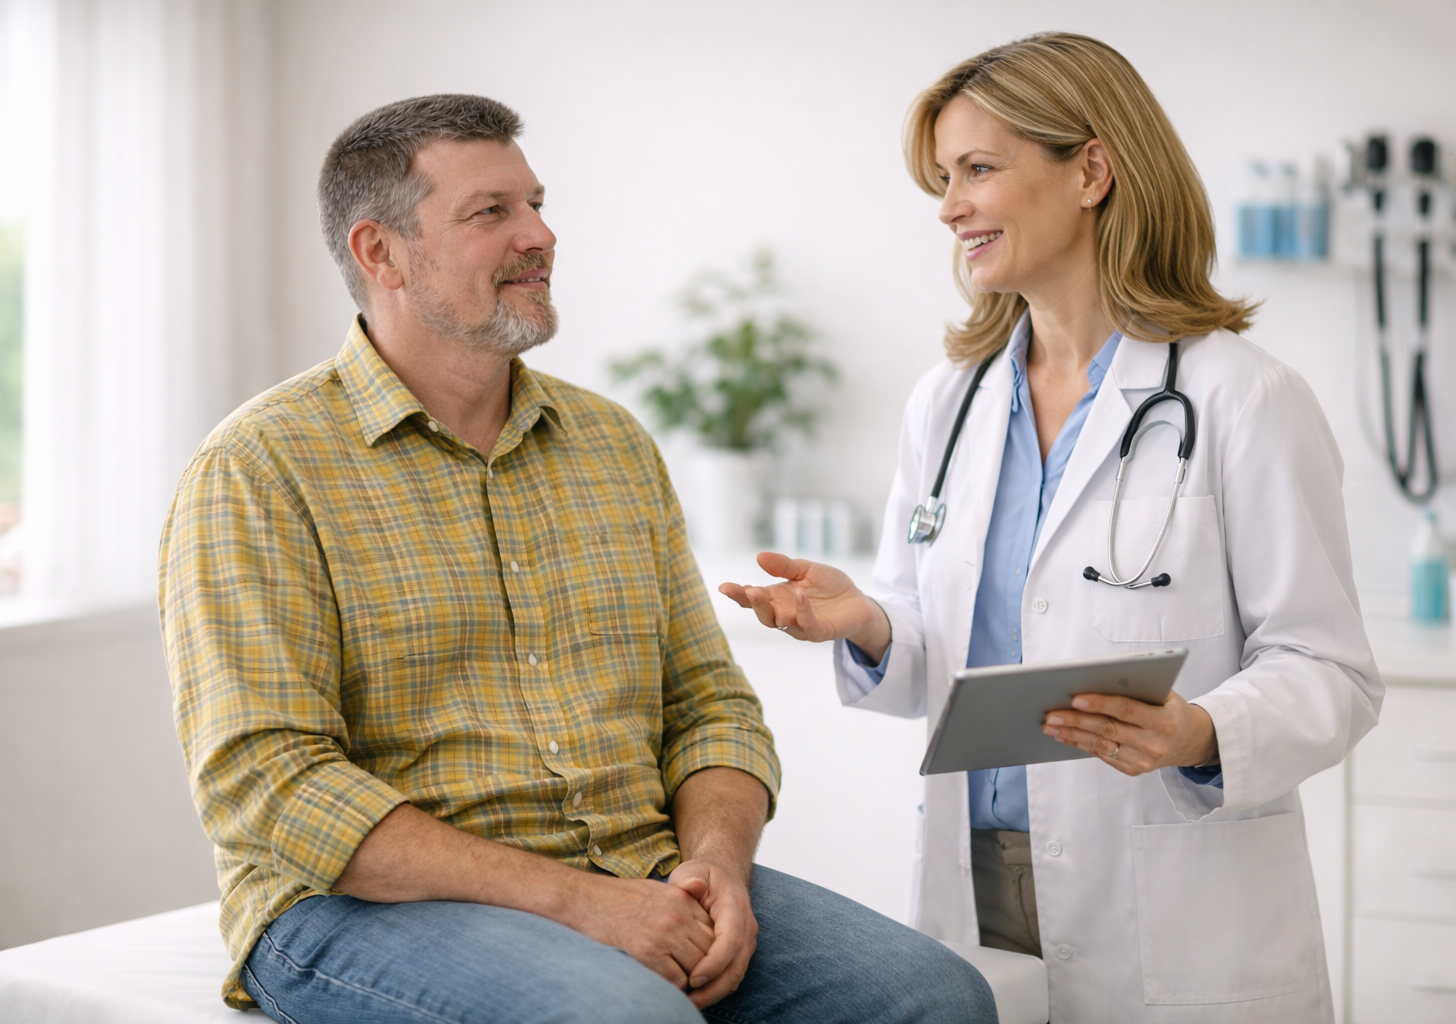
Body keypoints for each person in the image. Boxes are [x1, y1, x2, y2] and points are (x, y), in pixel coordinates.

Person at [159, 94, 996, 1024]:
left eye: (537, 204)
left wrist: (714, 869)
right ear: (379, 253)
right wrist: (578, 903)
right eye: (492, 213)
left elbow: (711, 706)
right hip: (348, 911)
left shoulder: (610, 444)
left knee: (936, 998)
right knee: (625, 1013)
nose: (541, 235)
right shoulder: (257, 469)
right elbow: (267, 784)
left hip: (634, 867)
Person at [722, 34, 1383, 1024]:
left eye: (978, 169)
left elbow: (1330, 669)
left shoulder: (1244, 399)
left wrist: (1202, 729)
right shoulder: (946, 405)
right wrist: (866, 622)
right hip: (977, 877)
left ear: (1091, 170)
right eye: (944, 178)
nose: (949, 206)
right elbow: (937, 646)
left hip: (1168, 886)